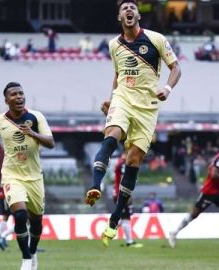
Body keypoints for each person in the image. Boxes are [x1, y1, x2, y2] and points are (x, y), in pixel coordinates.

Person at [83, 0, 181, 247]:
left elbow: (176, 67)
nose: (129, 11)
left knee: (133, 160)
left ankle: (115, 219)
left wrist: (167, 89)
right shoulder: (113, 45)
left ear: (138, 15)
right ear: (119, 16)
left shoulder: (156, 39)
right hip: (123, 99)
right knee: (112, 133)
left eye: (132, 8)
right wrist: (111, 99)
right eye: (124, 8)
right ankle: (95, 185)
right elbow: (117, 75)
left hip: (147, 108)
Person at [0, 82, 55, 270]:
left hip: (34, 177)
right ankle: (25, 259)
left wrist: (32, 133)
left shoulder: (36, 117)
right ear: (6, 100)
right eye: (14, 94)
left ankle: (32, 252)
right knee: (20, 214)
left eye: (21, 93)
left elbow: (51, 142)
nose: (19, 97)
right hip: (11, 176)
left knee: (37, 223)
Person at [169, 141, 219, 248]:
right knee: (193, 215)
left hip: (216, 191)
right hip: (208, 192)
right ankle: (174, 232)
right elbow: (213, 175)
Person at [112, 152, 143, 248]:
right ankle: (129, 242)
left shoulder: (120, 163)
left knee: (125, 217)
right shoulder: (123, 164)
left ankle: (110, 229)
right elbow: (124, 178)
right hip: (122, 193)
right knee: (126, 218)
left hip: (120, 192)